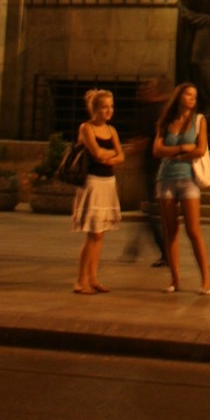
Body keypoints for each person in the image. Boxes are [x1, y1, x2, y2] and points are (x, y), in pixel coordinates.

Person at [152, 82, 210, 295]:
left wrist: (177, 153)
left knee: (193, 230)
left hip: (188, 180)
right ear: (178, 97)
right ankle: (175, 279)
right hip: (165, 179)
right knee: (171, 230)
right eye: (188, 94)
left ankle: (206, 281)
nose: (192, 98)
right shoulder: (165, 122)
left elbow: (200, 149)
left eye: (194, 95)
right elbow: (157, 150)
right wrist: (181, 149)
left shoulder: (199, 120)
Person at [72, 88, 123, 294]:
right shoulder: (86, 128)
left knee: (99, 235)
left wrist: (109, 155)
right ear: (95, 108)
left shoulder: (111, 130)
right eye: (105, 107)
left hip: (107, 181)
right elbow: (96, 152)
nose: (109, 111)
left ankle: (93, 278)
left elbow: (121, 156)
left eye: (111, 107)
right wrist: (111, 154)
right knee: (92, 234)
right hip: (92, 183)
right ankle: (80, 280)